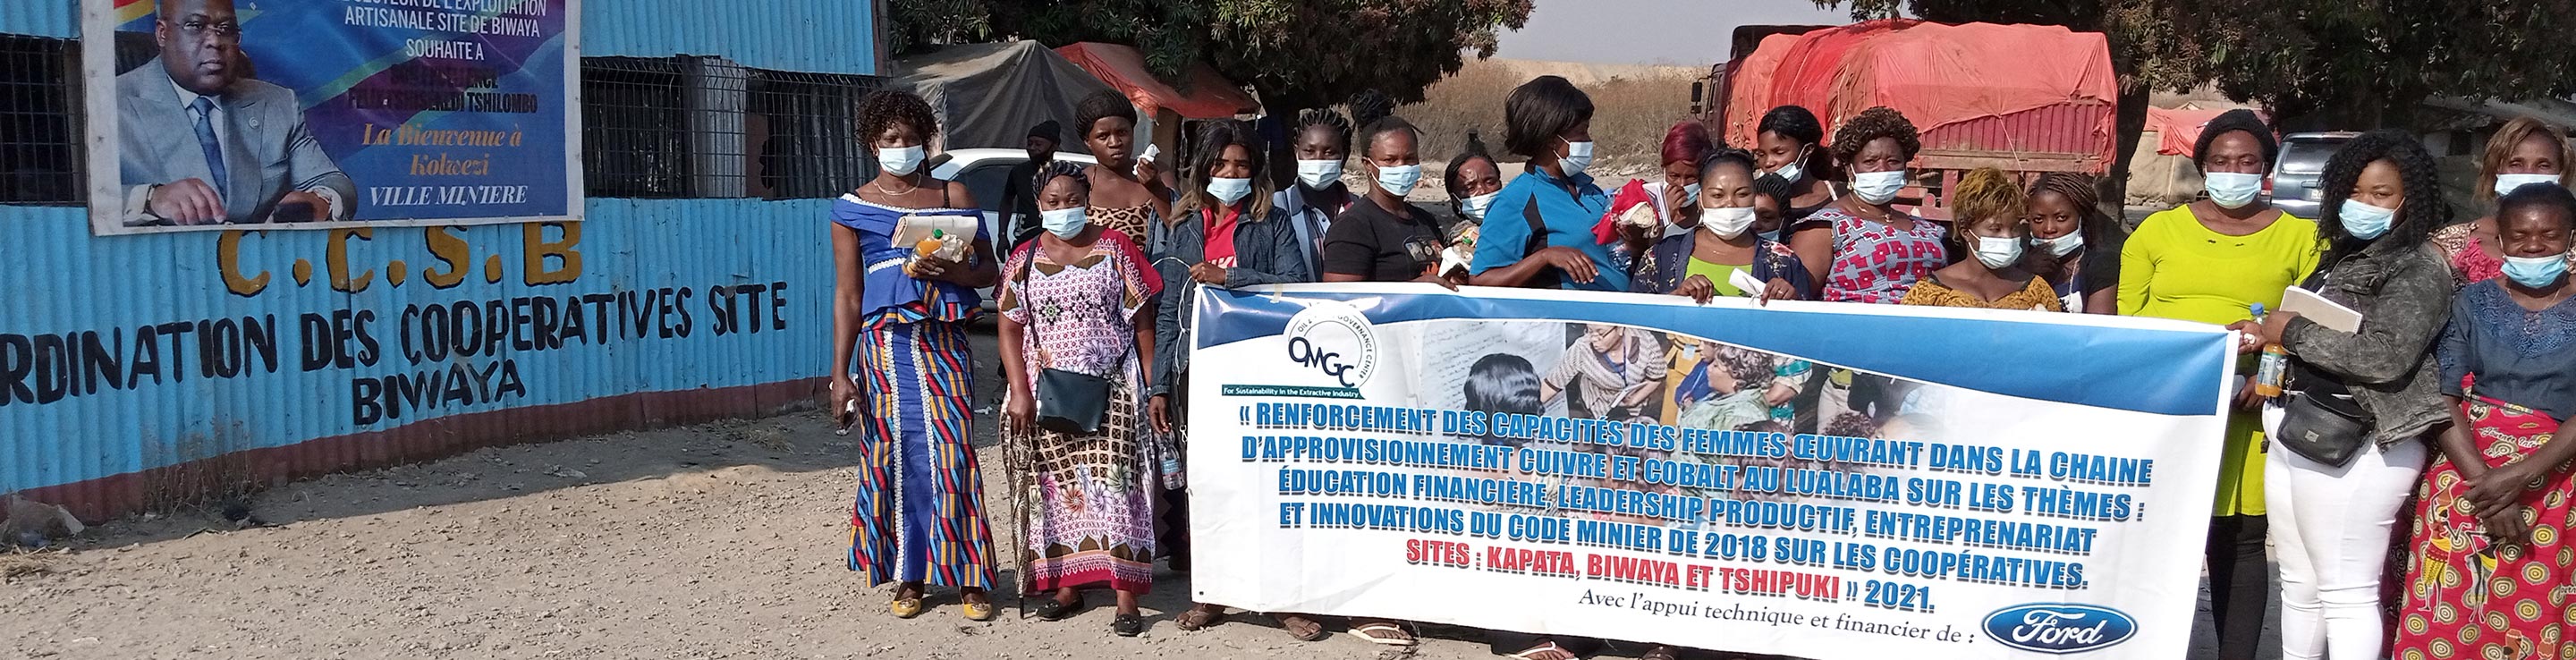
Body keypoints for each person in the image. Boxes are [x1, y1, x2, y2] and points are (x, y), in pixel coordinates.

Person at [2233, 131, 2453, 660]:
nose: (2364, 204)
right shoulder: (2342, 254)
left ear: (2411, 200)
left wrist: (2292, 332)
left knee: (2346, 593)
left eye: (2381, 194)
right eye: (2355, 191)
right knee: (2301, 588)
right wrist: (2265, 334)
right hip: (2298, 427)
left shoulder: (2418, 265)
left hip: (2362, 443)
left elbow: (2386, 357)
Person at [2116, 107, 2319, 660]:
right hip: (2168, 411)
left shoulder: (2301, 238)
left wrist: (2269, 377)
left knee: (2242, 540)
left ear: (2267, 168)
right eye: (2220, 161)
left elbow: (2309, 319)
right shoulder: (2157, 230)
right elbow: (2127, 320)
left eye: (2247, 161)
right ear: (2202, 167)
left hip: (2247, 410)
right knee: (2157, 534)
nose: (2233, 170)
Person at [826, 89, 1003, 622]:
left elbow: (988, 273)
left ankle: (967, 574)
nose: (901, 147)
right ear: (871, 144)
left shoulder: (952, 194)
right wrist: (839, 374)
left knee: (952, 451)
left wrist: (946, 272)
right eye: (890, 139)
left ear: (926, 140)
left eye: (910, 138)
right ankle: (910, 575)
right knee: (897, 454)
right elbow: (849, 295)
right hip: (883, 347)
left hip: (944, 341)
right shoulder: (850, 209)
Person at [2397, 183, 2576, 660]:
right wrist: (2486, 489)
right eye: (2520, 237)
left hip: (2555, 481)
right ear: (2502, 238)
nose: (2534, 247)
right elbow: (2444, 395)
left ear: (2571, 238)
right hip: (2465, 476)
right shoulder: (2470, 302)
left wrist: (2519, 476)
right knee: (2450, 618)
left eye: (2550, 236)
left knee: (2534, 615)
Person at [1152, 119, 1316, 637]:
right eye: (1221, 165)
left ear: (1256, 171)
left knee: (1269, 483)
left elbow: (1296, 284)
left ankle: (1282, 599)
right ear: (1203, 170)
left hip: (1258, 372)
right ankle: (1213, 593)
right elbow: (1166, 312)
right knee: (1208, 487)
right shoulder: (1183, 224)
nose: (1231, 173)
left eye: (1241, 165)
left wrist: (1233, 278)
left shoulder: (1272, 222)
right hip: (1193, 374)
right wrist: (1159, 385)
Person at [998, 162, 1167, 637]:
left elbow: (1143, 318)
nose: (1063, 208)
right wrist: (1018, 391)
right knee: (1056, 488)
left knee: (1117, 485)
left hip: (1113, 385)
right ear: (1039, 205)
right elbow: (1010, 327)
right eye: (1053, 202)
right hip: (1046, 391)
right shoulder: (1025, 257)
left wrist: (1154, 384)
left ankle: (1125, 595)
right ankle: (1067, 585)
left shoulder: (1116, 247)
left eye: (1072, 199)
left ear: (1085, 201)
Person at [117, 0, 354, 226]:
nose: (215, 41)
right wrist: (150, 199)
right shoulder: (107, 103)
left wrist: (320, 200)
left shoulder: (278, 103)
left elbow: (332, 181)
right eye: (196, 26)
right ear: (162, 33)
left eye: (226, 29)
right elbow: (85, 202)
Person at [1470, 76, 1619, 292]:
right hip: (1568, 321)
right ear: (1551, 138)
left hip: (1618, 316)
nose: (1588, 140)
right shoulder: (1516, 200)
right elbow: (1481, 280)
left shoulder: (1589, 190)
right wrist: (1545, 257)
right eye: (1581, 132)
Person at [1788, 106, 1944, 302]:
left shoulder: (1926, 228)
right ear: (1850, 170)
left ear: (1905, 167)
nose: (1882, 169)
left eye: (1893, 161)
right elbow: (1797, 294)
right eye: (1870, 161)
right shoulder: (1825, 226)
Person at [2428, 117, 2576, 286]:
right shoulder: (2452, 244)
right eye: (2516, 164)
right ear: (2496, 169)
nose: (2528, 174)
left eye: (2543, 165)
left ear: (2561, 173)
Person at [1321, 116, 1458, 287]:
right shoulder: (1352, 226)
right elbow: (1341, 299)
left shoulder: (1425, 220)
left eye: (1409, 159)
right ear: (1368, 165)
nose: (1402, 167)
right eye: (1390, 160)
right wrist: (1413, 290)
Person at [1899, 168, 2062, 310]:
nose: (2007, 237)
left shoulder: (2036, 290)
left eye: (2013, 228)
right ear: (1965, 231)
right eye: (1995, 229)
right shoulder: (1929, 294)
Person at [1072, 90, 1169, 246]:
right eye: (1103, 136)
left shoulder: (1159, 173)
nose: (1115, 142)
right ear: (1087, 142)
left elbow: (1183, 233)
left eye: (1122, 132)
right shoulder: (1079, 183)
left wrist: (1157, 189)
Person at [2024, 173, 2124, 314]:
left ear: (2081, 218)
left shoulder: (2100, 265)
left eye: (2061, 218)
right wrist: (2024, 273)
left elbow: (2097, 329)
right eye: (2038, 220)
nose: (2049, 229)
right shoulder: (2019, 261)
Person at [1275, 108, 1358, 275]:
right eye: (1309, 151)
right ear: (1296, 152)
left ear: (1345, 155)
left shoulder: (1361, 209)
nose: (1318, 159)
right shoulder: (1276, 208)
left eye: (1329, 152)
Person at [1754, 106, 1838, 235]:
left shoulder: (1839, 196)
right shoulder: (1749, 198)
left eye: (1779, 152)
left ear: (1807, 150)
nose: (1768, 163)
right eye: (1761, 155)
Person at [996, 120, 1063, 250]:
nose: (1032, 148)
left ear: (1054, 146)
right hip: (1024, 240)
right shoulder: (1018, 172)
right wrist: (1002, 235)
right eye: (1029, 143)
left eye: (1038, 144)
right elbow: (1007, 202)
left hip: (1054, 242)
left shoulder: (1063, 172)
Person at [1642, 122, 1715, 232]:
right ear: (1664, 169)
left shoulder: (1712, 217)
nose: (1682, 184)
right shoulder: (1644, 211)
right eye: (1674, 176)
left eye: (1691, 177)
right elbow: (1642, 247)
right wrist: (1664, 216)